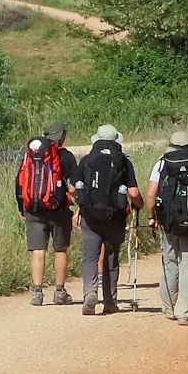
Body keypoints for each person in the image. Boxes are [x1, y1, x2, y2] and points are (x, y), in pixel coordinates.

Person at [75, 124, 141, 315]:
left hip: (90, 215)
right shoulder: (124, 162)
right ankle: (110, 301)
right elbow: (133, 192)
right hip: (115, 216)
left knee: (90, 256)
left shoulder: (87, 159)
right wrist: (140, 204)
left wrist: (81, 205)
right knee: (111, 256)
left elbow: (73, 188)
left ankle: (90, 292)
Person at [145, 128, 188, 325]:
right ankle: (184, 312)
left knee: (170, 261)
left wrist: (152, 216)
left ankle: (169, 307)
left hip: (169, 221)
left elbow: (151, 194)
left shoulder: (162, 162)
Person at [14, 120, 78, 306]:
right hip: (58, 209)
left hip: (33, 208)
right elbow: (74, 185)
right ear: (61, 136)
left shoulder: (32, 156)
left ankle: (37, 292)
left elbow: (19, 181)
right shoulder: (65, 156)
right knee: (60, 249)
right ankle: (59, 291)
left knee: (37, 250)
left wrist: (21, 206)